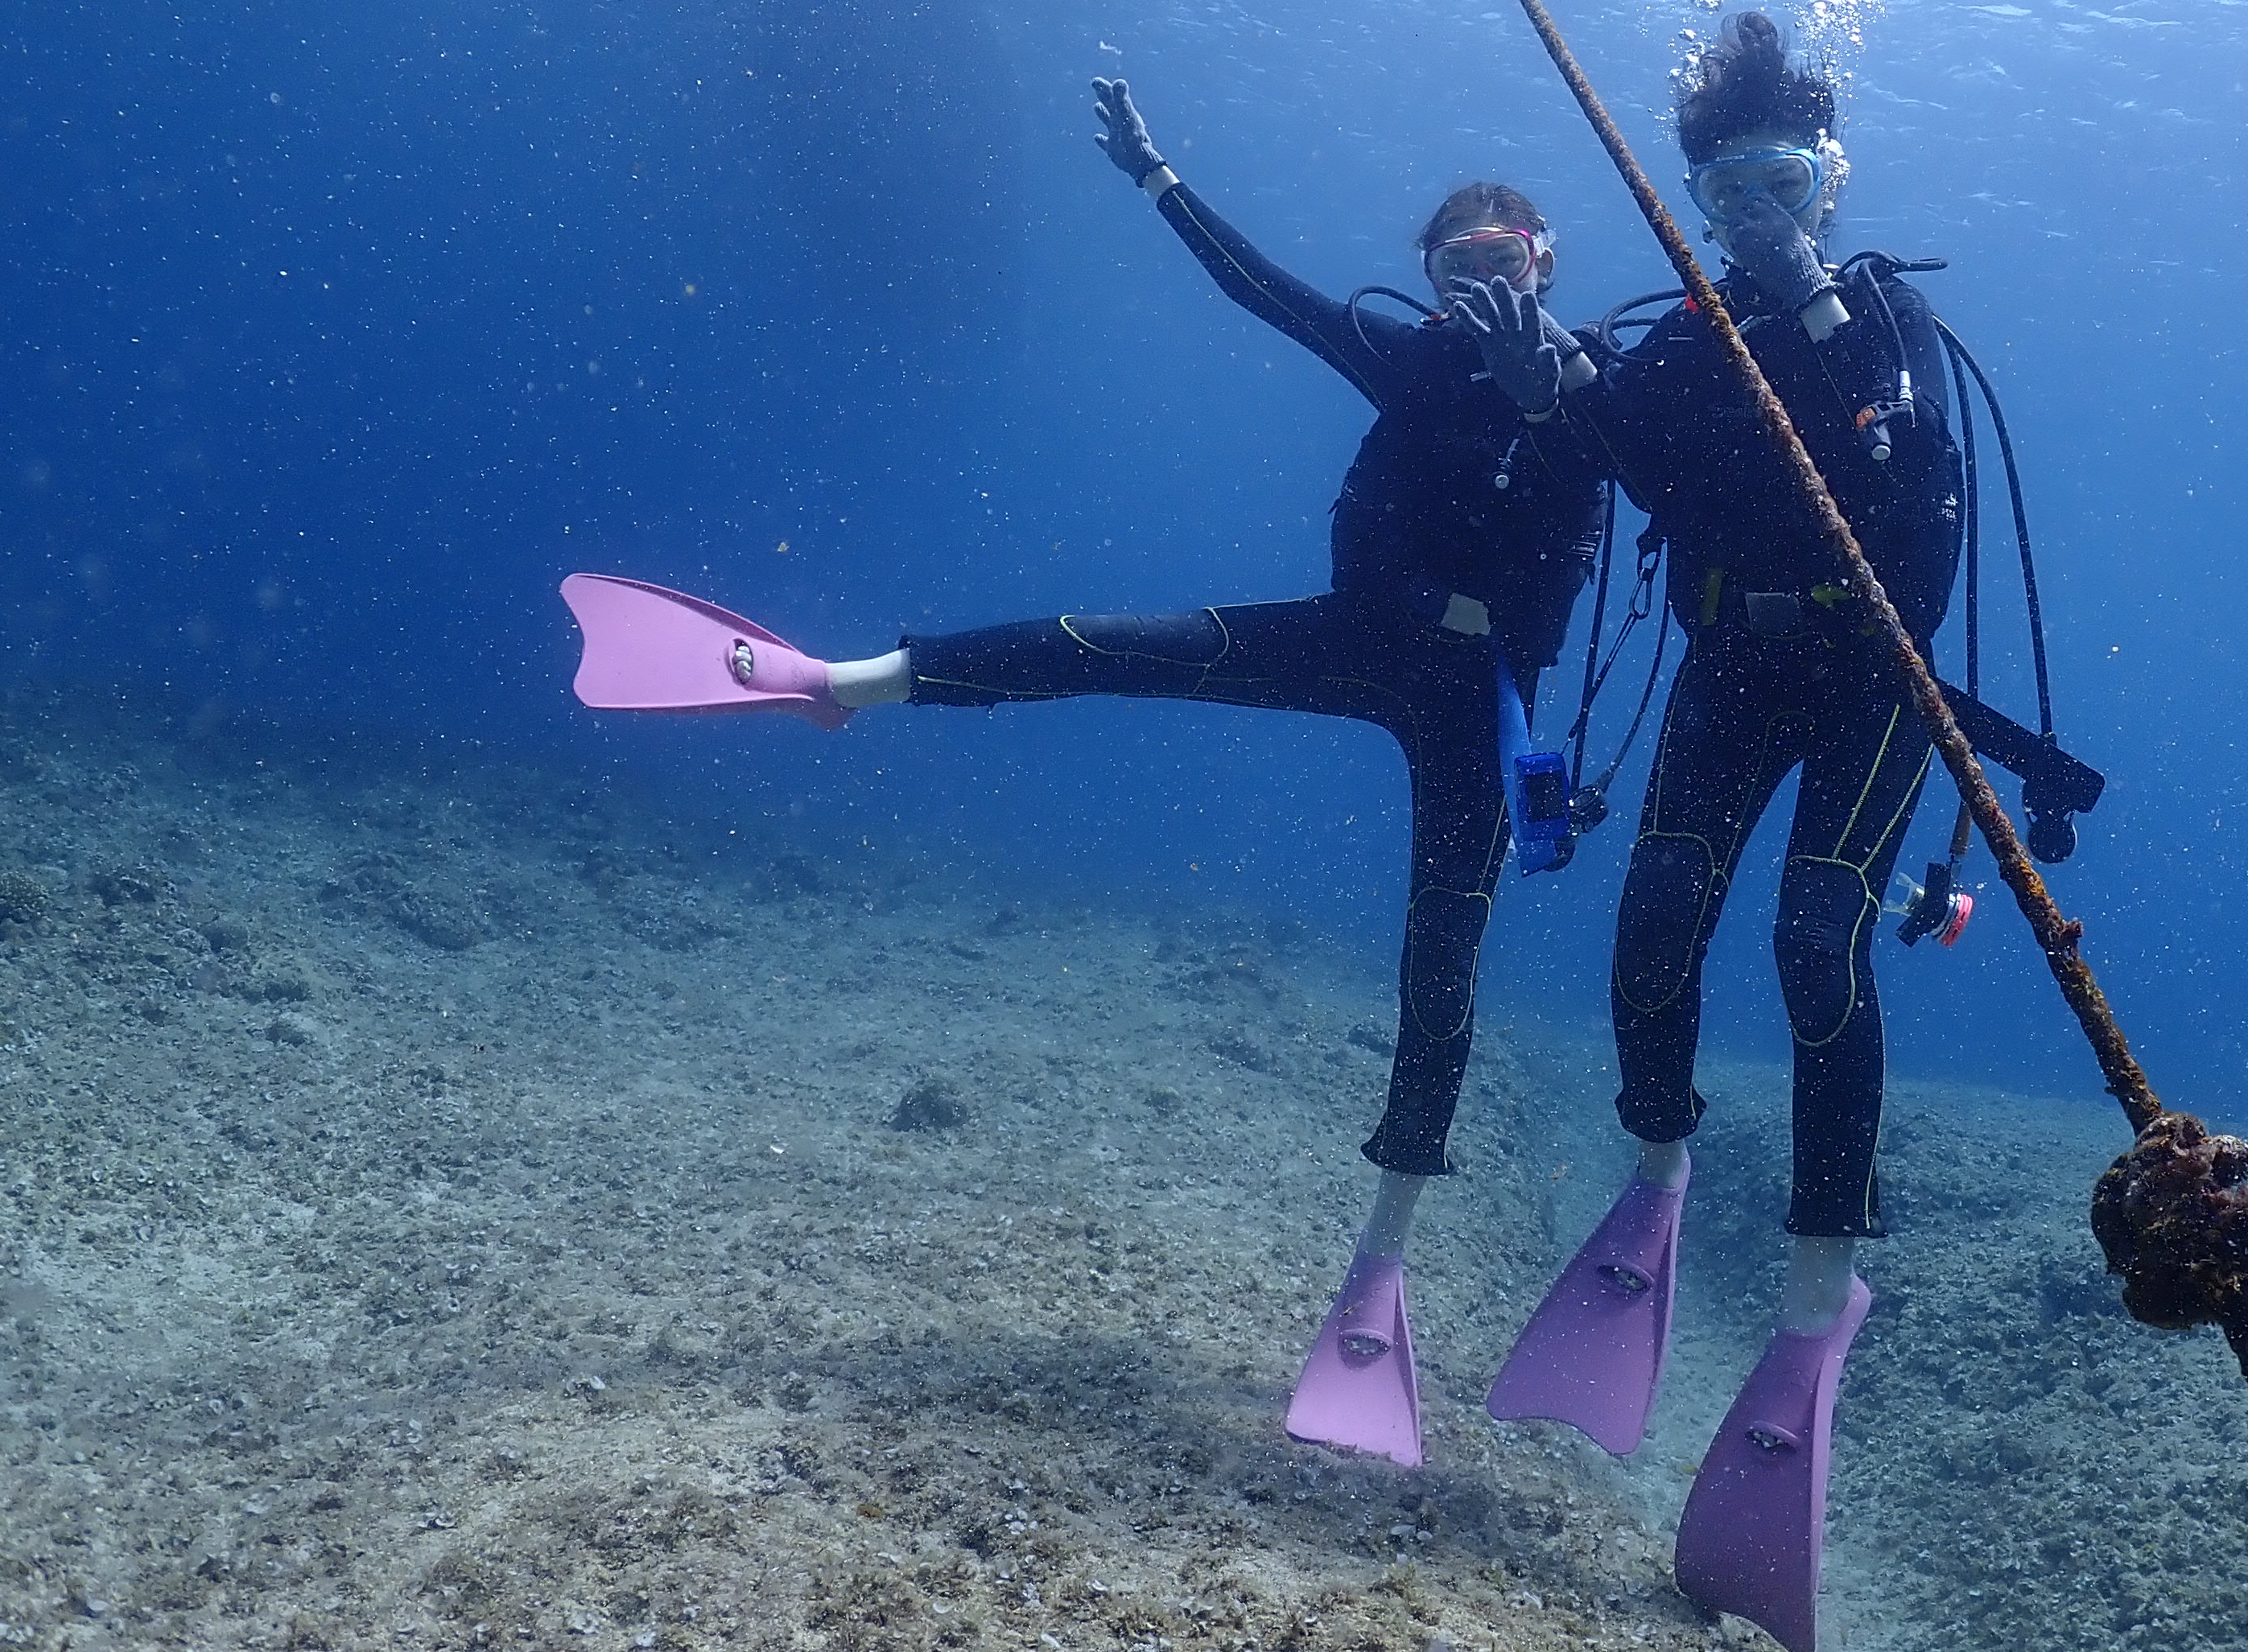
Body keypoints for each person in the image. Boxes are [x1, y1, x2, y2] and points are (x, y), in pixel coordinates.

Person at [566, 76, 1605, 1471]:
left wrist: (1568, 405)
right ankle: (835, 683)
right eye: (1453, 264)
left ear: (1545, 264)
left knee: (1443, 962)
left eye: (1502, 260)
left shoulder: (1602, 394)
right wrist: (1158, 178)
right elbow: (1265, 289)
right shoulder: (1408, 361)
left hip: (1483, 701)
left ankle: (1379, 1276)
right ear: (1427, 279)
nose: (1478, 286)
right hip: (1358, 639)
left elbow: (1680, 475)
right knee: (1100, 642)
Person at [1457, 10, 1958, 1652]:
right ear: (1693, 196)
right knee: (1657, 916)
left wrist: (1816, 309)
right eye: (1724, 187)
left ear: (1829, 178)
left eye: (1780, 180)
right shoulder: (1688, 335)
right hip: (1735, 661)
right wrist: (1549, 391)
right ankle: (1656, 1179)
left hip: (1872, 676)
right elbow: (1618, 449)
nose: (1752, 211)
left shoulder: (1881, 319)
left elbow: (1923, 504)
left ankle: (1817, 1299)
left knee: (1814, 935)